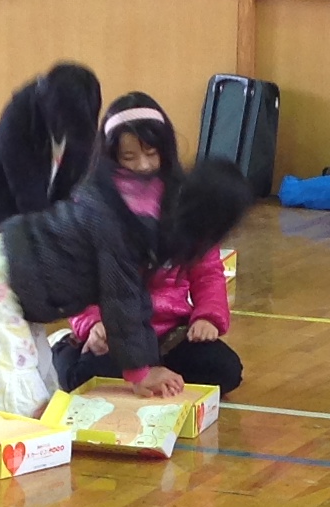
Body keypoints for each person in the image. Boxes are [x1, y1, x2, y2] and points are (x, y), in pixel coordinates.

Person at [0, 153, 253, 418]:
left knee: (42, 396)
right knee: (20, 413)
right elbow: (122, 297)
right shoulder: (142, 229)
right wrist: (142, 370)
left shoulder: (151, 207)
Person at [51, 95, 242, 396]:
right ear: (110, 158)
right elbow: (76, 280)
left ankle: (153, 365)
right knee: (81, 377)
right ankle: (64, 347)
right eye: (129, 158)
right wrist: (92, 324)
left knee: (225, 370)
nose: (143, 165)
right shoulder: (96, 208)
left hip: (169, 333)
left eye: (152, 153)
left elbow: (207, 272)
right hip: (116, 330)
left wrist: (207, 315)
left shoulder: (183, 202)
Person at [0, 62, 101, 259]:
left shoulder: (79, 124)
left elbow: (77, 187)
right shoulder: (21, 115)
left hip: (33, 223)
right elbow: (27, 192)